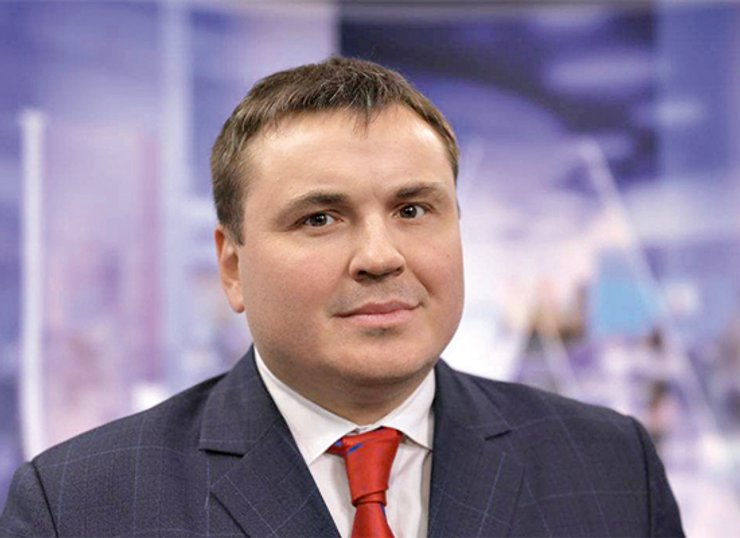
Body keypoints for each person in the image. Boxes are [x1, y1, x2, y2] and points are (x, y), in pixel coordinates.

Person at [0, 57, 684, 537]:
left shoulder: (611, 466)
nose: (380, 257)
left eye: (413, 210)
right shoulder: (81, 504)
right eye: (320, 218)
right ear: (232, 266)